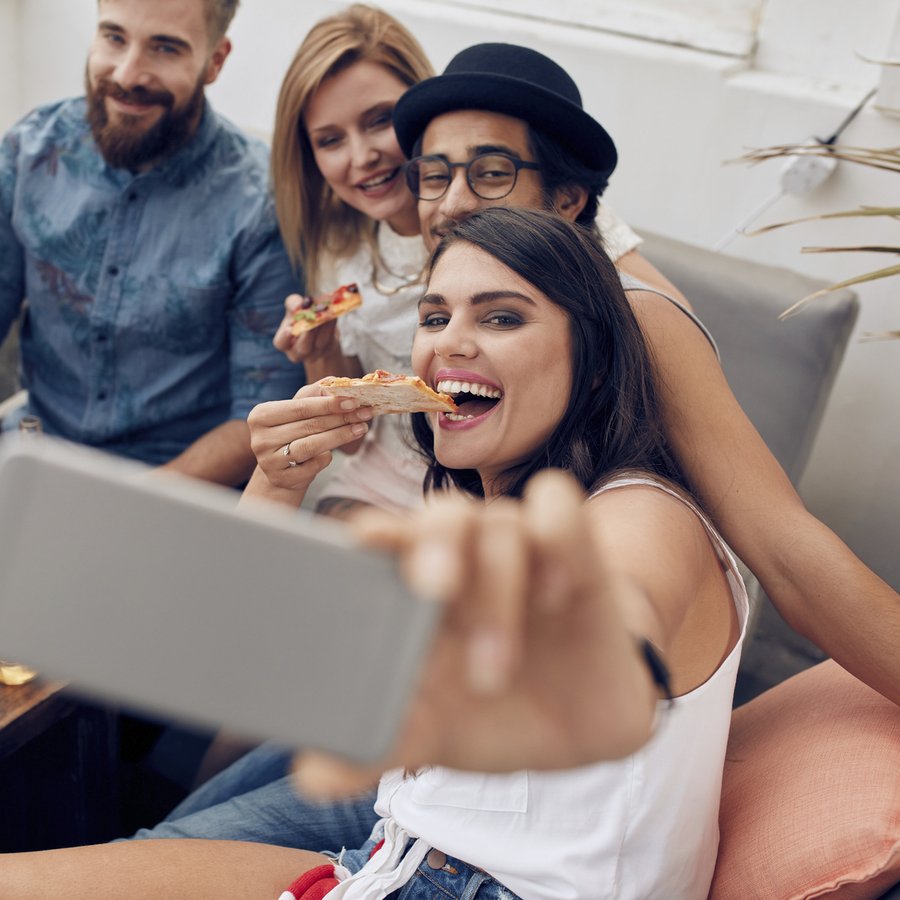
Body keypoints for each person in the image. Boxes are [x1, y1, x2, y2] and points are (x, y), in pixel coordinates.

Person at [130, 30, 898, 851]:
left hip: (534, 755)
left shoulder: (631, 320)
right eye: (436, 175)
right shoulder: (448, 321)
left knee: (176, 838)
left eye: (491, 172)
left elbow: (786, 554)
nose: (455, 201)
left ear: (568, 200)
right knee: (184, 812)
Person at [0, 207, 749, 900]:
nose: (451, 339)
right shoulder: (475, 504)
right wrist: (276, 483)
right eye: (435, 315)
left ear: (592, 363)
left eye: (502, 316)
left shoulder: (641, 511)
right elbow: (235, 647)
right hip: (401, 851)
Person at [266, 7, 693, 519]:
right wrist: (324, 349)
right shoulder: (341, 250)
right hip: (403, 472)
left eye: (380, 121)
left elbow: (659, 317)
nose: (363, 156)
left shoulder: (542, 209)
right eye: (330, 140)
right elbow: (357, 436)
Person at [0, 0, 305, 486]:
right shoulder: (28, 151)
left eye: (165, 48)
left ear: (215, 61)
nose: (127, 74)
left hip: (178, 484)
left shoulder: (262, 203)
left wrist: (122, 511)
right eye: (114, 37)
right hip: (34, 446)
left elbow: (259, 417)